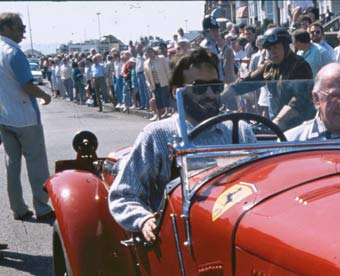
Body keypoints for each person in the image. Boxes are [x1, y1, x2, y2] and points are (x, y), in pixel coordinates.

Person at [109, 49, 256, 244]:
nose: (211, 94)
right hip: (181, 238)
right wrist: (143, 219)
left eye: (215, 87)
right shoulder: (158, 134)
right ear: (175, 91)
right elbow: (124, 194)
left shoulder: (240, 131)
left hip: (237, 230)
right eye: (199, 88)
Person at [0, 12, 54, 222]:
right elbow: (26, 85)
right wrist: (44, 95)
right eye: (19, 27)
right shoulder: (14, 52)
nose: (23, 32)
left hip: (4, 117)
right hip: (25, 117)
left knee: (12, 165)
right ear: (6, 28)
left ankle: (18, 208)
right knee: (36, 163)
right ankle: (42, 207)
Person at [225, 27, 313, 129]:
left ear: (285, 46)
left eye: (275, 47)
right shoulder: (269, 67)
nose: (272, 52)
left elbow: (300, 99)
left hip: (302, 126)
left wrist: (279, 120)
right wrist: (223, 95)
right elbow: (248, 81)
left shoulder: (299, 65)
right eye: (269, 49)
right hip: (280, 124)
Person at [144, 46, 172, 120]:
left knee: (165, 99)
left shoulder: (161, 58)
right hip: (154, 85)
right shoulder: (146, 63)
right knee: (158, 101)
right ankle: (160, 117)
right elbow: (147, 77)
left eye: (151, 52)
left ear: (154, 52)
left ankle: (168, 115)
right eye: (148, 53)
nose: (149, 54)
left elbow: (168, 71)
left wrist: (170, 82)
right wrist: (149, 86)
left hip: (164, 83)